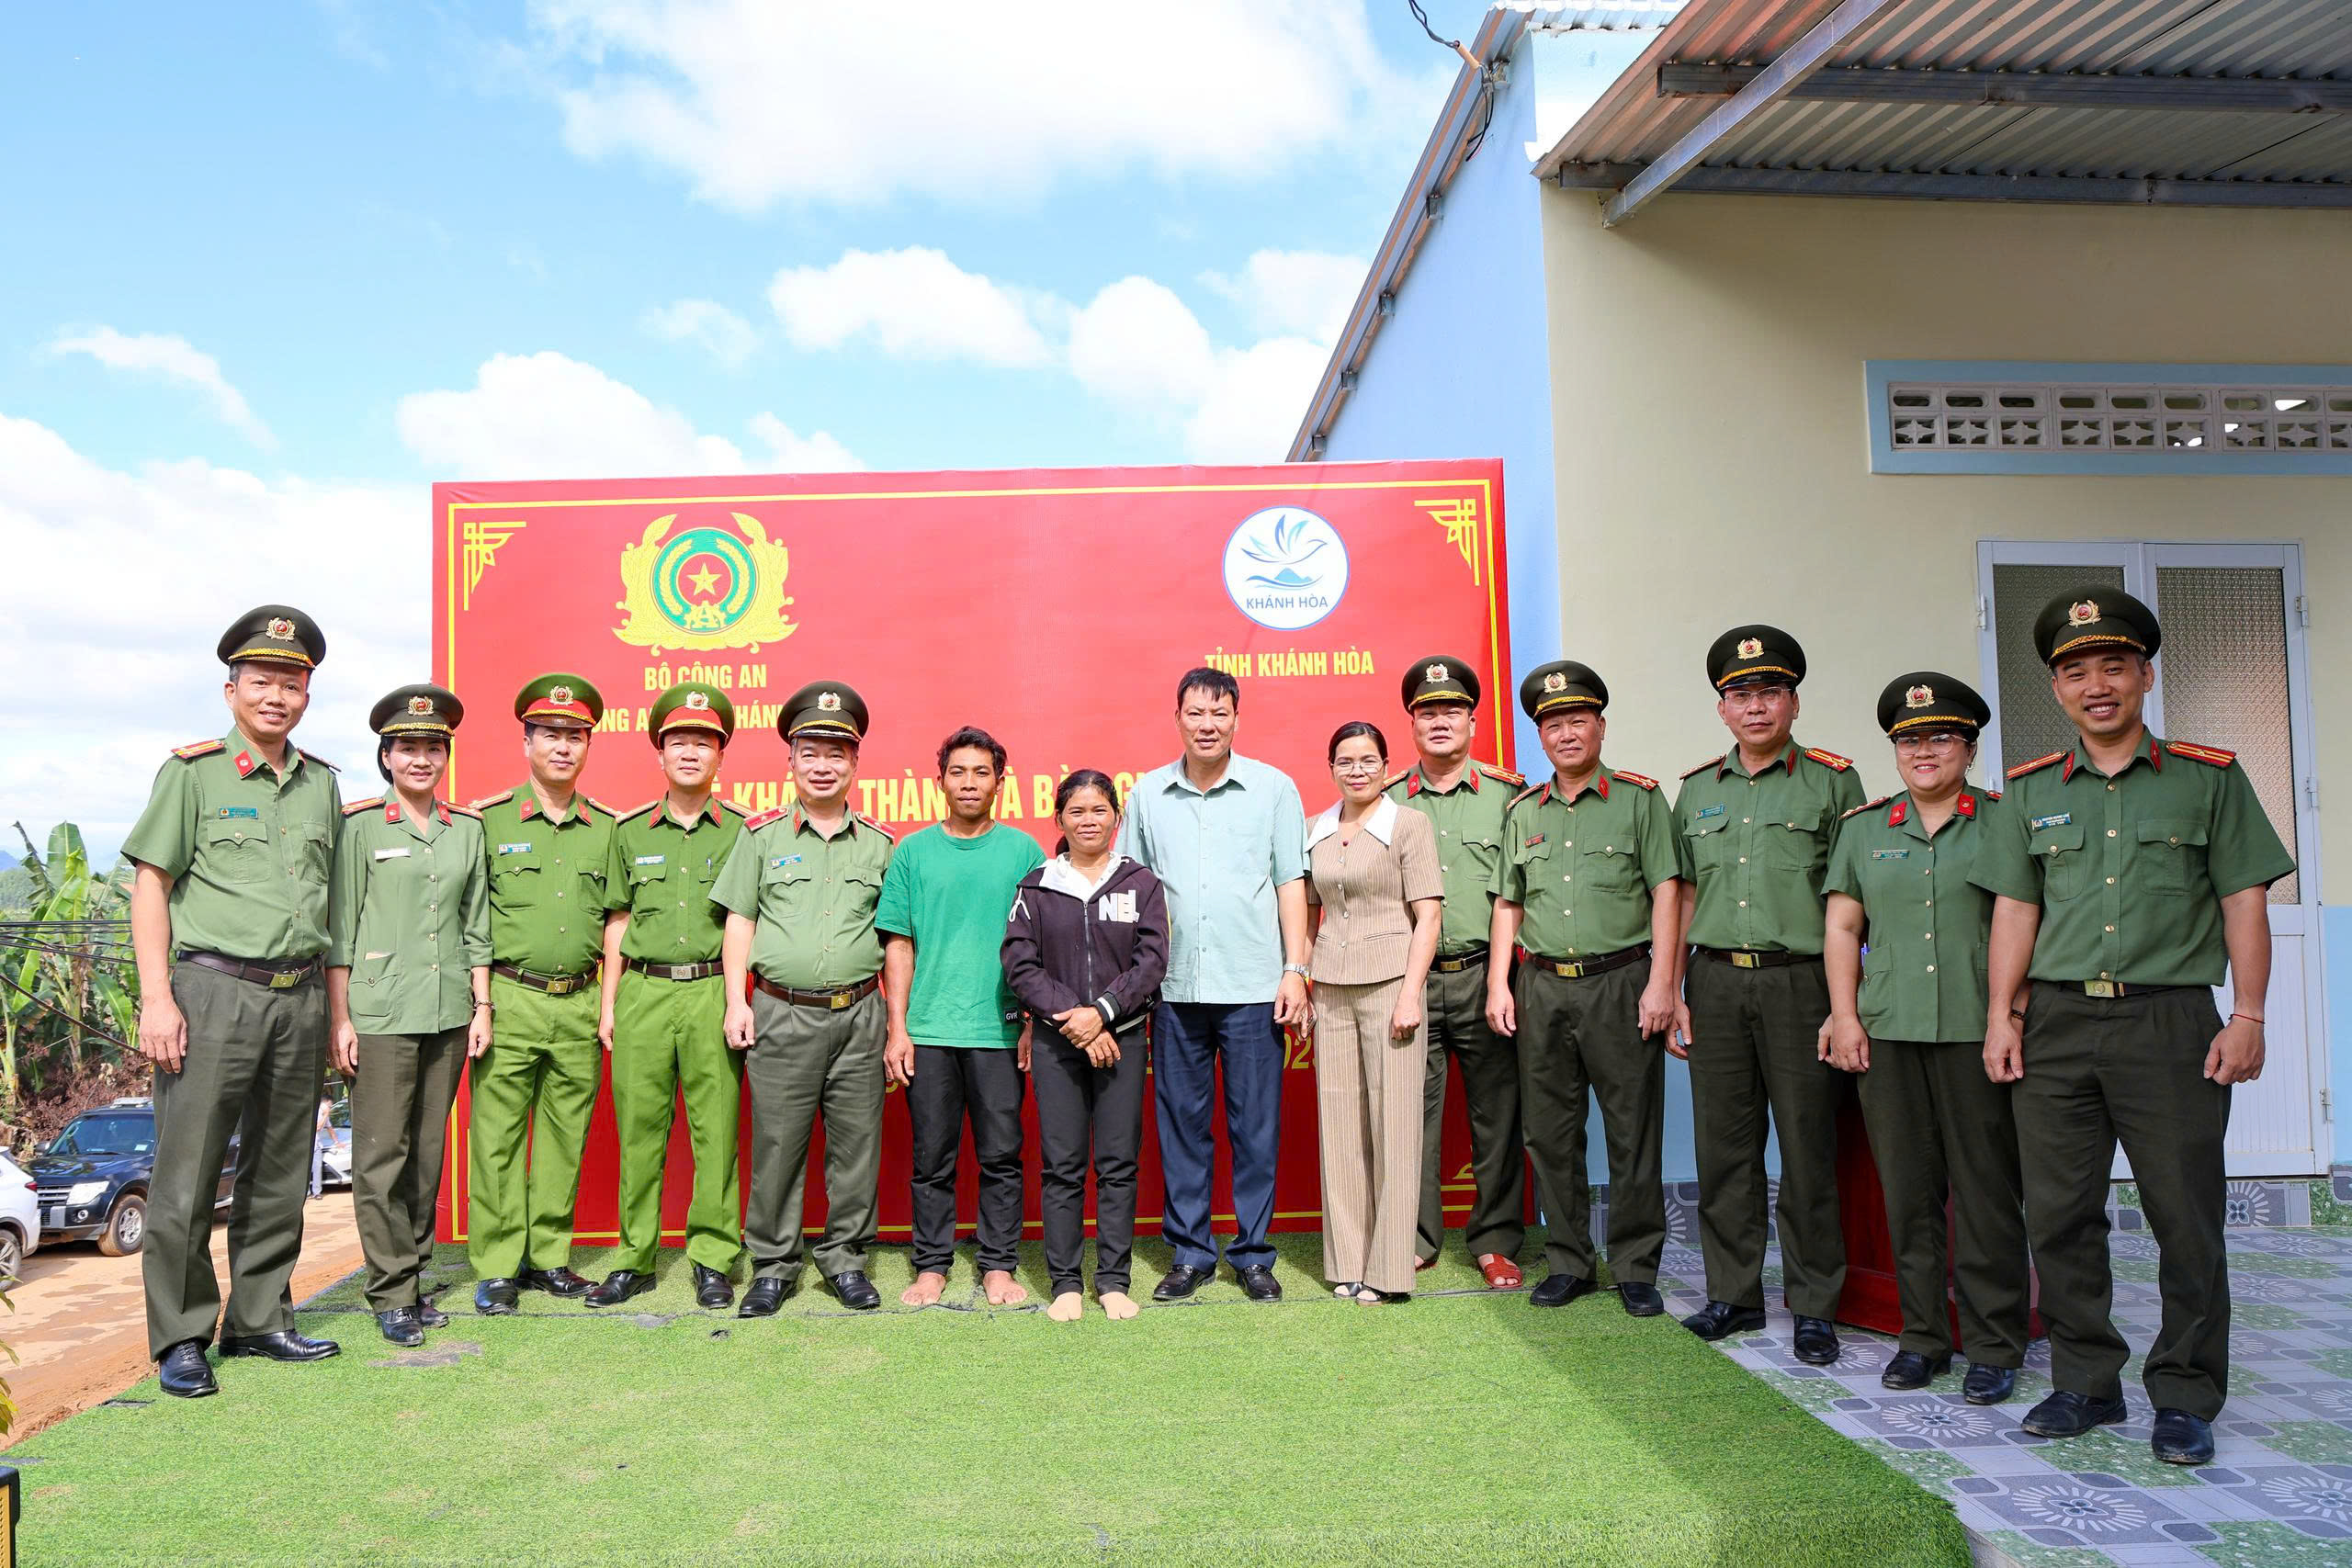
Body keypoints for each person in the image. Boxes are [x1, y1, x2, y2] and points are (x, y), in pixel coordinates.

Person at [1973, 588, 2292, 1464]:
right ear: (2058, 688)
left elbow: (2243, 899)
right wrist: (2001, 1015)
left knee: (2186, 1216)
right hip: (2058, 1024)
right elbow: (2014, 909)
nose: (2097, 684)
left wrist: (2251, 1013)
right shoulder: (2030, 790)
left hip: (2171, 1022)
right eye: (2076, 671)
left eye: (2114, 665)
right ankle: (2085, 1381)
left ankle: (2186, 1392)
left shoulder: (2209, 778)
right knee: (2060, 1212)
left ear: (2145, 675)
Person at [125, 604, 343, 1398]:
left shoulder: (323, 783)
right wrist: (158, 997)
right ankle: (181, 1335)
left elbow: (337, 909)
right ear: (231, 691)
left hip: (300, 994)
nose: (276, 696)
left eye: (291, 683)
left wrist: (335, 1010)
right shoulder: (193, 773)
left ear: (307, 696)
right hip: (211, 990)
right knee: (187, 1172)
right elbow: (151, 881)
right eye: (261, 681)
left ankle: (259, 1317)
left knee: (282, 1168)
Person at [1823, 674, 2028, 1403]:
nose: (1924, 750)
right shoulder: (1865, 829)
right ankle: (1922, 1337)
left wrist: (2015, 1012)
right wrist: (1844, 1015)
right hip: (1890, 1032)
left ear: (1969, 747)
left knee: (1985, 1193)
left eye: (1941, 736)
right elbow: (1844, 927)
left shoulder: (2007, 821)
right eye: (1909, 739)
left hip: (1979, 1034)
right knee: (1907, 1192)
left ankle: (1995, 1342)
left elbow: (2030, 918)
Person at [1670, 625, 1866, 1363]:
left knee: (1809, 1148)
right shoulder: (1696, 790)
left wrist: (1845, 1001)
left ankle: (1814, 1303)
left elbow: (1850, 896)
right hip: (1715, 979)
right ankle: (1733, 1294)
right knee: (1724, 1147)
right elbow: (1683, 894)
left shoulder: (1832, 780)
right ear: (1723, 708)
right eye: (1741, 694)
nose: (1756, 706)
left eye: (1770, 691)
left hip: (1802, 981)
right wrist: (1675, 985)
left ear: (1793, 700)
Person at [1487, 661, 1679, 1314]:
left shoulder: (1639, 799)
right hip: (1539, 984)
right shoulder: (1523, 811)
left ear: (1599, 724)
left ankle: (1633, 1264)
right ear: (1540, 736)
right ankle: (1570, 1260)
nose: (1566, 733)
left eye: (1577, 719)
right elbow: (1507, 903)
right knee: (1549, 1131)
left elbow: (1668, 893)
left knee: (1631, 1129)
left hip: (1621, 982)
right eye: (1552, 724)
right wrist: (1498, 983)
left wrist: (1663, 983)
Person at [1115, 666, 1311, 1303]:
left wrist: (1295, 969)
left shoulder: (1273, 789)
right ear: (1177, 718)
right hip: (1172, 989)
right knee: (1181, 1124)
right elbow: (1131, 888)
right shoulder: (1147, 794)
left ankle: (1253, 1254)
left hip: (1255, 983)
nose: (1207, 724)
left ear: (1236, 718)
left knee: (1256, 1127)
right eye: (1195, 713)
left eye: (1219, 712)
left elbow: (1291, 882)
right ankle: (1192, 1252)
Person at [715, 682, 895, 1315]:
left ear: (854, 764)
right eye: (810, 751)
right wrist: (737, 1000)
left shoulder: (880, 843)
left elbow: (897, 938)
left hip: (859, 1013)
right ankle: (773, 1264)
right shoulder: (761, 835)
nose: (823, 764)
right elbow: (740, 919)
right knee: (777, 1144)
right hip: (780, 1011)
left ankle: (845, 1259)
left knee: (856, 1145)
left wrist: (895, 1025)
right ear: (790, 761)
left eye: (836, 753)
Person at [327, 683, 492, 1347]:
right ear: (387, 756)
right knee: (380, 1157)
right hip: (380, 1012)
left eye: (433, 747)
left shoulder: (467, 831)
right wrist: (340, 1019)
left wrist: (482, 1005)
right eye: (408, 748)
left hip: (449, 1009)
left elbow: (475, 924)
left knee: (426, 1155)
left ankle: (415, 1277)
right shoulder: (362, 826)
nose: (422, 759)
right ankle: (390, 1290)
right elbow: (339, 932)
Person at [590, 683, 751, 1311]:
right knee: (640, 1129)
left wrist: (741, 998)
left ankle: (713, 1256)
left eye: (704, 741)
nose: (691, 751)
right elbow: (617, 922)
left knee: (717, 1132)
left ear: (720, 754)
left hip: (713, 989)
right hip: (644, 992)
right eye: (678, 740)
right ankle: (634, 1257)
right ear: (659, 752)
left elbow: (749, 921)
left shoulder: (743, 831)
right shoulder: (628, 830)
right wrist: (609, 1003)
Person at [466, 674, 616, 1314]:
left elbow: (615, 923)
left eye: (575, 735)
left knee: (565, 1134)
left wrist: (605, 1004)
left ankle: (549, 1255)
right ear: (526, 740)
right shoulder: (488, 821)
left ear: (588, 745)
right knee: (496, 1134)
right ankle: (499, 1265)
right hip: (511, 995)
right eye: (550, 734)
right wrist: (482, 1003)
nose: (563, 746)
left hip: (579, 999)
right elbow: (471, 916)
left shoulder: (607, 828)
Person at [880, 728, 1046, 1308]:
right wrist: (898, 1029)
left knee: (1002, 1155)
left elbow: (1041, 948)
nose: (969, 783)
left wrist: (1031, 1021)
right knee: (932, 1159)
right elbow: (898, 944)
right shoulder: (913, 852)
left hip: (1000, 1031)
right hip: (928, 1031)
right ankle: (931, 1266)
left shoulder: (1024, 853)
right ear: (940, 780)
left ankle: (998, 1264)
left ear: (1000, 782)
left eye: (981, 772)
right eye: (958, 772)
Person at [1001, 771, 1169, 1323]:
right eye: (1077, 811)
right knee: (1063, 1164)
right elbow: (1019, 963)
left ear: (1115, 817)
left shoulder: (1140, 883)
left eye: (1099, 810)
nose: (1088, 820)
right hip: (1056, 1043)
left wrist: (1101, 1015)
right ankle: (1066, 1282)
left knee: (1118, 1164)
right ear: (1059, 820)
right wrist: (1073, 1018)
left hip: (1121, 1038)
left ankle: (1114, 1281)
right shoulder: (1037, 885)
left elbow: (1152, 962)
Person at [1384, 657, 1528, 1289]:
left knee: (1498, 1114)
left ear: (1473, 717)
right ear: (1411, 721)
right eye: (1426, 710)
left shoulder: (1509, 797)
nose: (1439, 720)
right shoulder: (1383, 801)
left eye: (1451, 709)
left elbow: (1515, 895)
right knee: (1412, 1113)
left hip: (1484, 974)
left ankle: (1495, 1238)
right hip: (1407, 981)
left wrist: (1499, 980)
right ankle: (1416, 1236)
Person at [1306, 722, 1442, 1303]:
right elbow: (1305, 909)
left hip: (1392, 985)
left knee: (1395, 1127)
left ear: (1387, 765)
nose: (1356, 770)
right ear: (1331, 767)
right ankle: (1347, 1263)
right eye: (1345, 761)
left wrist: (1412, 993)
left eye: (1367, 759)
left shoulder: (1409, 824)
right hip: (1330, 988)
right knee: (1338, 1128)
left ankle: (1390, 1270)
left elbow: (1429, 915)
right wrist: (1303, 978)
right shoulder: (1315, 828)